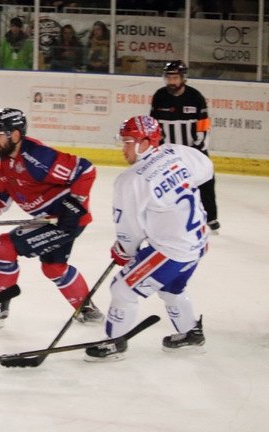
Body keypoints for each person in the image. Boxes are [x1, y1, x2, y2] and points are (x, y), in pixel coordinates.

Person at [85, 116, 212, 361]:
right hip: (198, 242)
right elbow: (206, 168)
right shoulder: (177, 152)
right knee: (173, 288)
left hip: (172, 250)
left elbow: (129, 229)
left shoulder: (131, 180)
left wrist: (125, 250)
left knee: (123, 289)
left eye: (128, 142)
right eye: (123, 142)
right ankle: (190, 334)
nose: (123, 148)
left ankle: (114, 344)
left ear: (146, 142)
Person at [0, 108, 102, 328]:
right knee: (54, 267)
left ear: (15, 135)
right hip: (49, 218)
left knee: (4, 246)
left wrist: (74, 204)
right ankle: (88, 309)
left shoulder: (36, 157)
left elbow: (85, 170)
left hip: (65, 219)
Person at [150, 60, 219, 232]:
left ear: (183, 78)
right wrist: (158, 150)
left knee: (206, 181)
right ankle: (163, 216)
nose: (171, 81)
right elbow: (154, 125)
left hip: (194, 151)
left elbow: (203, 127)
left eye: (175, 77)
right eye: (169, 77)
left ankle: (211, 217)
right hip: (168, 153)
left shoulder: (195, 97)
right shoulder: (159, 96)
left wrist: (195, 152)